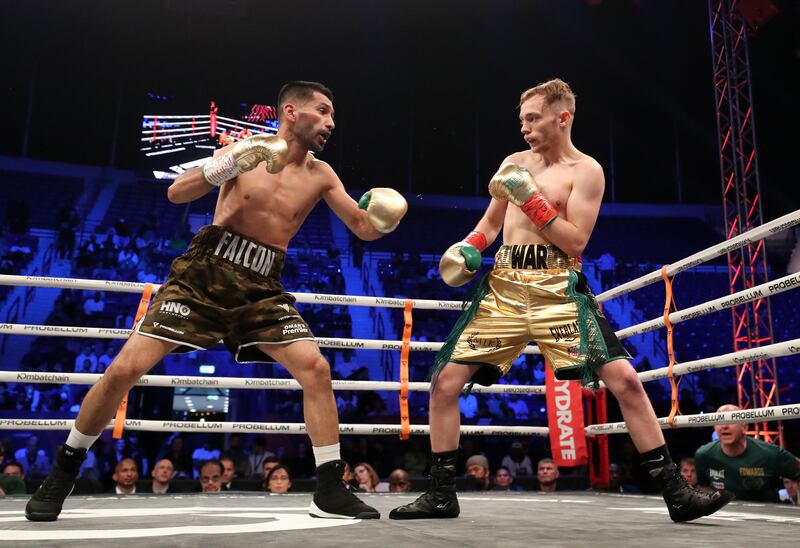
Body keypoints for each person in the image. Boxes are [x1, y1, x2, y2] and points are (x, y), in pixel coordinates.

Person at [26, 80, 407, 522]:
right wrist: (225, 167)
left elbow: (361, 227)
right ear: (290, 112)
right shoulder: (247, 149)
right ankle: (63, 472)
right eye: (322, 111)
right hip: (206, 272)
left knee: (316, 368)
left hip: (263, 283)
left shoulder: (322, 174)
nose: (330, 122)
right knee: (124, 369)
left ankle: (328, 490)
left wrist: (386, 217)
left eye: (332, 114)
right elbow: (177, 192)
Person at [390, 79, 731, 523]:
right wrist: (468, 246)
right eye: (522, 120)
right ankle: (440, 494)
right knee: (445, 384)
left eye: (533, 119)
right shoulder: (513, 162)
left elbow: (575, 241)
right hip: (506, 287)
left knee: (625, 381)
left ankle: (677, 495)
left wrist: (530, 199)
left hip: (557, 287)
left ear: (562, 117)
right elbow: (491, 222)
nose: (525, 128)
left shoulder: (586, 171)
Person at [695, 404, 800, 502]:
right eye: (720, 421)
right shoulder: (703, 455)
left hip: (767, 514)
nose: (725, 426)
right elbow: (704, 488)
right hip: (726, 515)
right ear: (714, 427)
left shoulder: (771, 454)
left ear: (744, 427)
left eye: (731, 421)